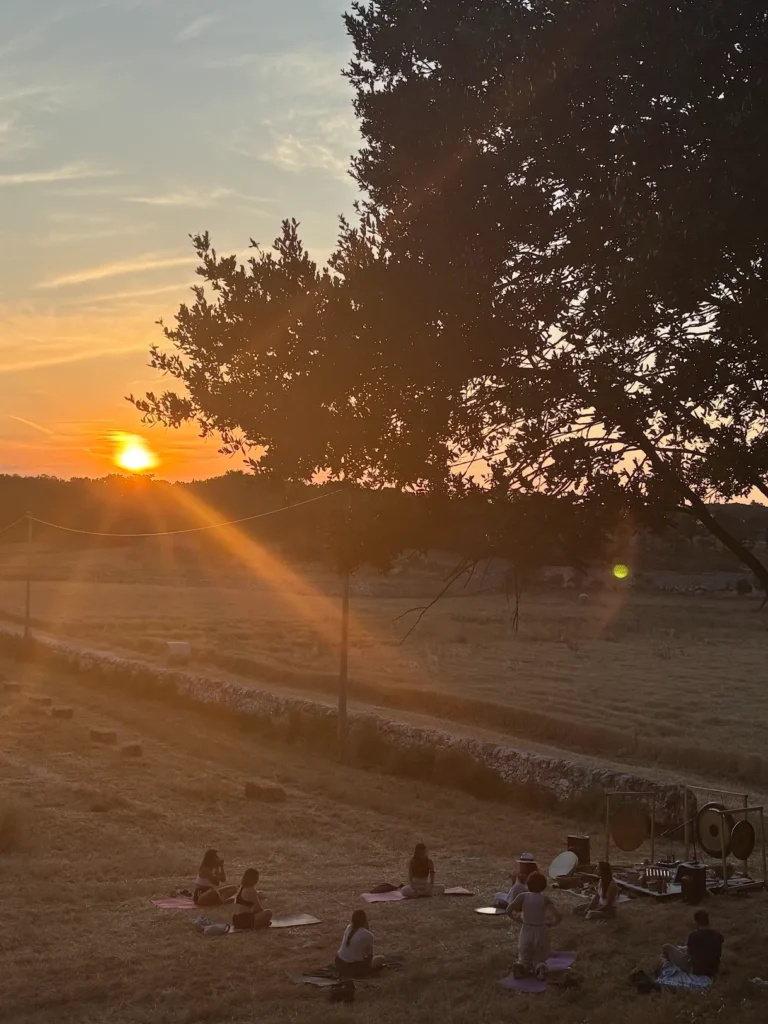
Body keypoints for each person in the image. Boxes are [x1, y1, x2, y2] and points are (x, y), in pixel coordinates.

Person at [508, 870, 562, 980]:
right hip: (541, 931)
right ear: (543, 886)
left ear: (528, 884)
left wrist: (516, 919)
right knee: (540, 957)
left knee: (525, 957)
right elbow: (557, 916)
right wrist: (551, 924)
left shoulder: (522, 897)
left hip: (526, 930)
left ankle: (521, 966)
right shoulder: (545, 899)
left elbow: (509, 909)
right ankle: (540, 967)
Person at [662, 910, 724, 977]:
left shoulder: (693, 936)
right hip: (713, 969)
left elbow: (689, 953)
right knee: (682, 948)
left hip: (696, 970)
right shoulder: (718, 935)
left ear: (696, 922)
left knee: (666, 947)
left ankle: (667, 970)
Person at [335, 909, 386, 978]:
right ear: (365, 920)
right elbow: (369, 957)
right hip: (353, 968)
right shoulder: (368, 935)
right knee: (381, 959)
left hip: (339, 963)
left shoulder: (349, 927)